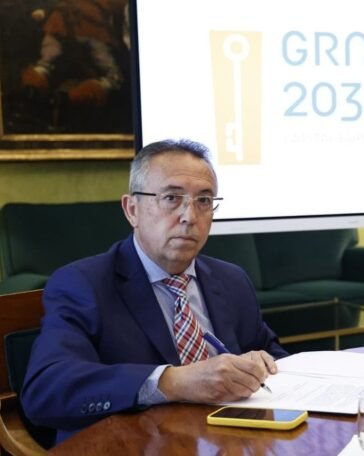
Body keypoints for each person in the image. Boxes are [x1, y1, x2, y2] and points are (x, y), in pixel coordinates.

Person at [21, 139, 288, 444]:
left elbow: (273, 357)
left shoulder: (232, 280)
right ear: (132, 210)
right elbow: (47, 389)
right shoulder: (83, 284)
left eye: (204, 200)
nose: (190, 216)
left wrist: (261, 363)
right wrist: (172, 381)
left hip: (226, 442)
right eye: (172, 198)